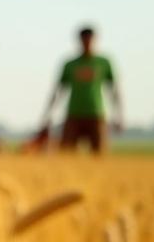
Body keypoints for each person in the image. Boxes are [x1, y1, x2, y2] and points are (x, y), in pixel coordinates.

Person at [40, 26, 122, 154]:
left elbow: (114, 90)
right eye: (84, 40)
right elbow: (58, 91)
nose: (87, 43)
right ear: (79, 41)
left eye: (90, 40)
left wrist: (119, 114)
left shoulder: (103, 63)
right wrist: (47, 115)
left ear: (95, 40)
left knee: (100, 155)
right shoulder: (70, 64)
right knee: (66, 153)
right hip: (74, 114)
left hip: (96, 113)